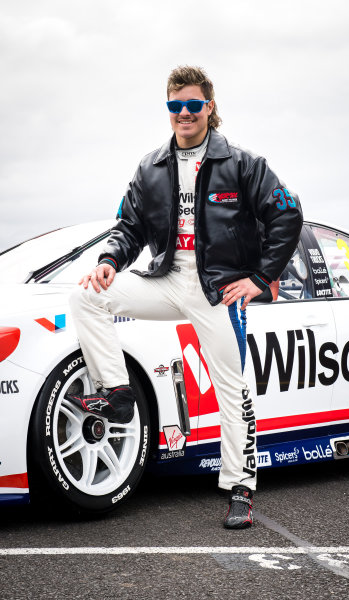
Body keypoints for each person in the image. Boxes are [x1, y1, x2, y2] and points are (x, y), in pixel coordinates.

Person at [68, 65, 303, 529]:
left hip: (217, 291)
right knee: (87, 297)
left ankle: (240, 487)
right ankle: (117, 393)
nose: (184, 114)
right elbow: (128, 227)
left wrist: (259, 278)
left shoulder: (243, 164)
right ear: (168, 109)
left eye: (193, 105)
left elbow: (288, 215)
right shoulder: (150, 167)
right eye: (176, 106)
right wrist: (111, 260)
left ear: (209, 108)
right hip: (166, 279)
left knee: (231, 389)